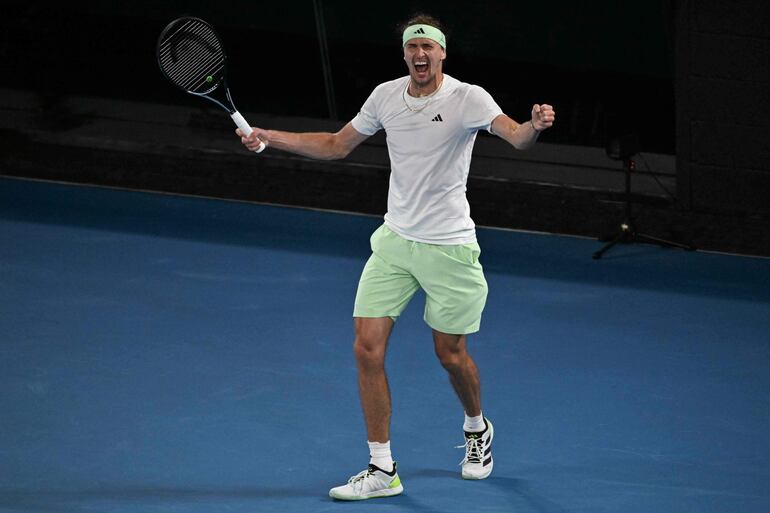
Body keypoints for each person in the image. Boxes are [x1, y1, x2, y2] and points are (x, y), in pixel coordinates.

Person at [237, 13, 555, 501]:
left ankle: (477, 428)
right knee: (366, 347)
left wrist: (532, 126)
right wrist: (269, 136)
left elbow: (514, 136)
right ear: (405, 54)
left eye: (428, 46)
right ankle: (382, 469)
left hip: (449, 247)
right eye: (412, 47)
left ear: (442, 53)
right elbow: (337, 145)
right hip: (395, 242)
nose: (420, 54)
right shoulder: (386, 95)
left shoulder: (468, 98)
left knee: (450, 354)